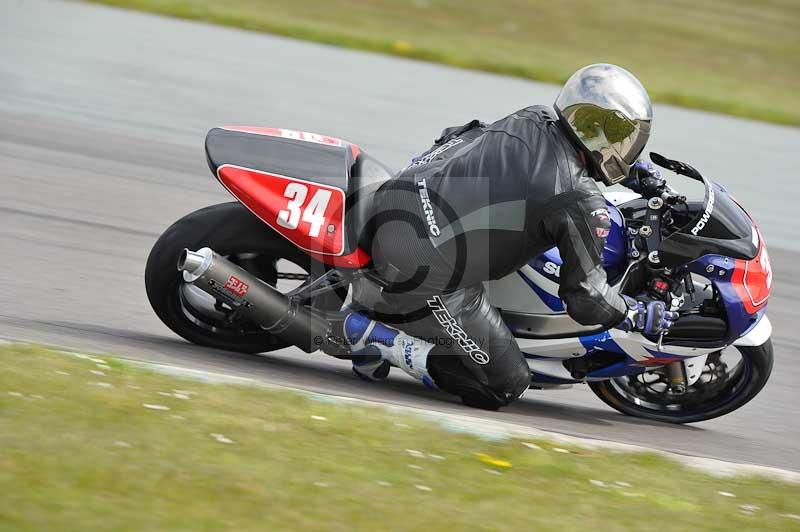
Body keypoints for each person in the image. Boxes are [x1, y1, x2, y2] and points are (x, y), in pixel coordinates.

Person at [343, 63, 678, 410]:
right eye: (623, 139)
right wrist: (633, 314)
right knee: (506, 384)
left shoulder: (532, 117)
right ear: (596, 131)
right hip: (423, 268)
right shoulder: (579, 200)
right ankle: (373, 339)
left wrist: (633, 174)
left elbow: (459, 134)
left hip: (397, 196)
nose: (628, 148)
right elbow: (585, 298)